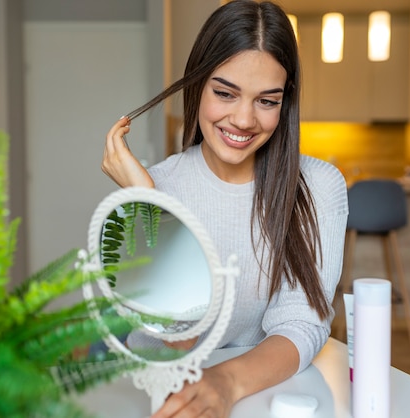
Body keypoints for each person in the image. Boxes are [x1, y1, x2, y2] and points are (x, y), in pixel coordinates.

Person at [101, 1, 348, 417]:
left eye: (266, 101)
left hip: (262, 394)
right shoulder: (152, 190)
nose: (244, 119)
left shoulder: (319, 187)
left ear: (285, 102)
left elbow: (301, 324)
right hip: (162, 397)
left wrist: (226, 382)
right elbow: (174, 340)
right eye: (225, 93)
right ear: (198, 85)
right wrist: (150, 202)